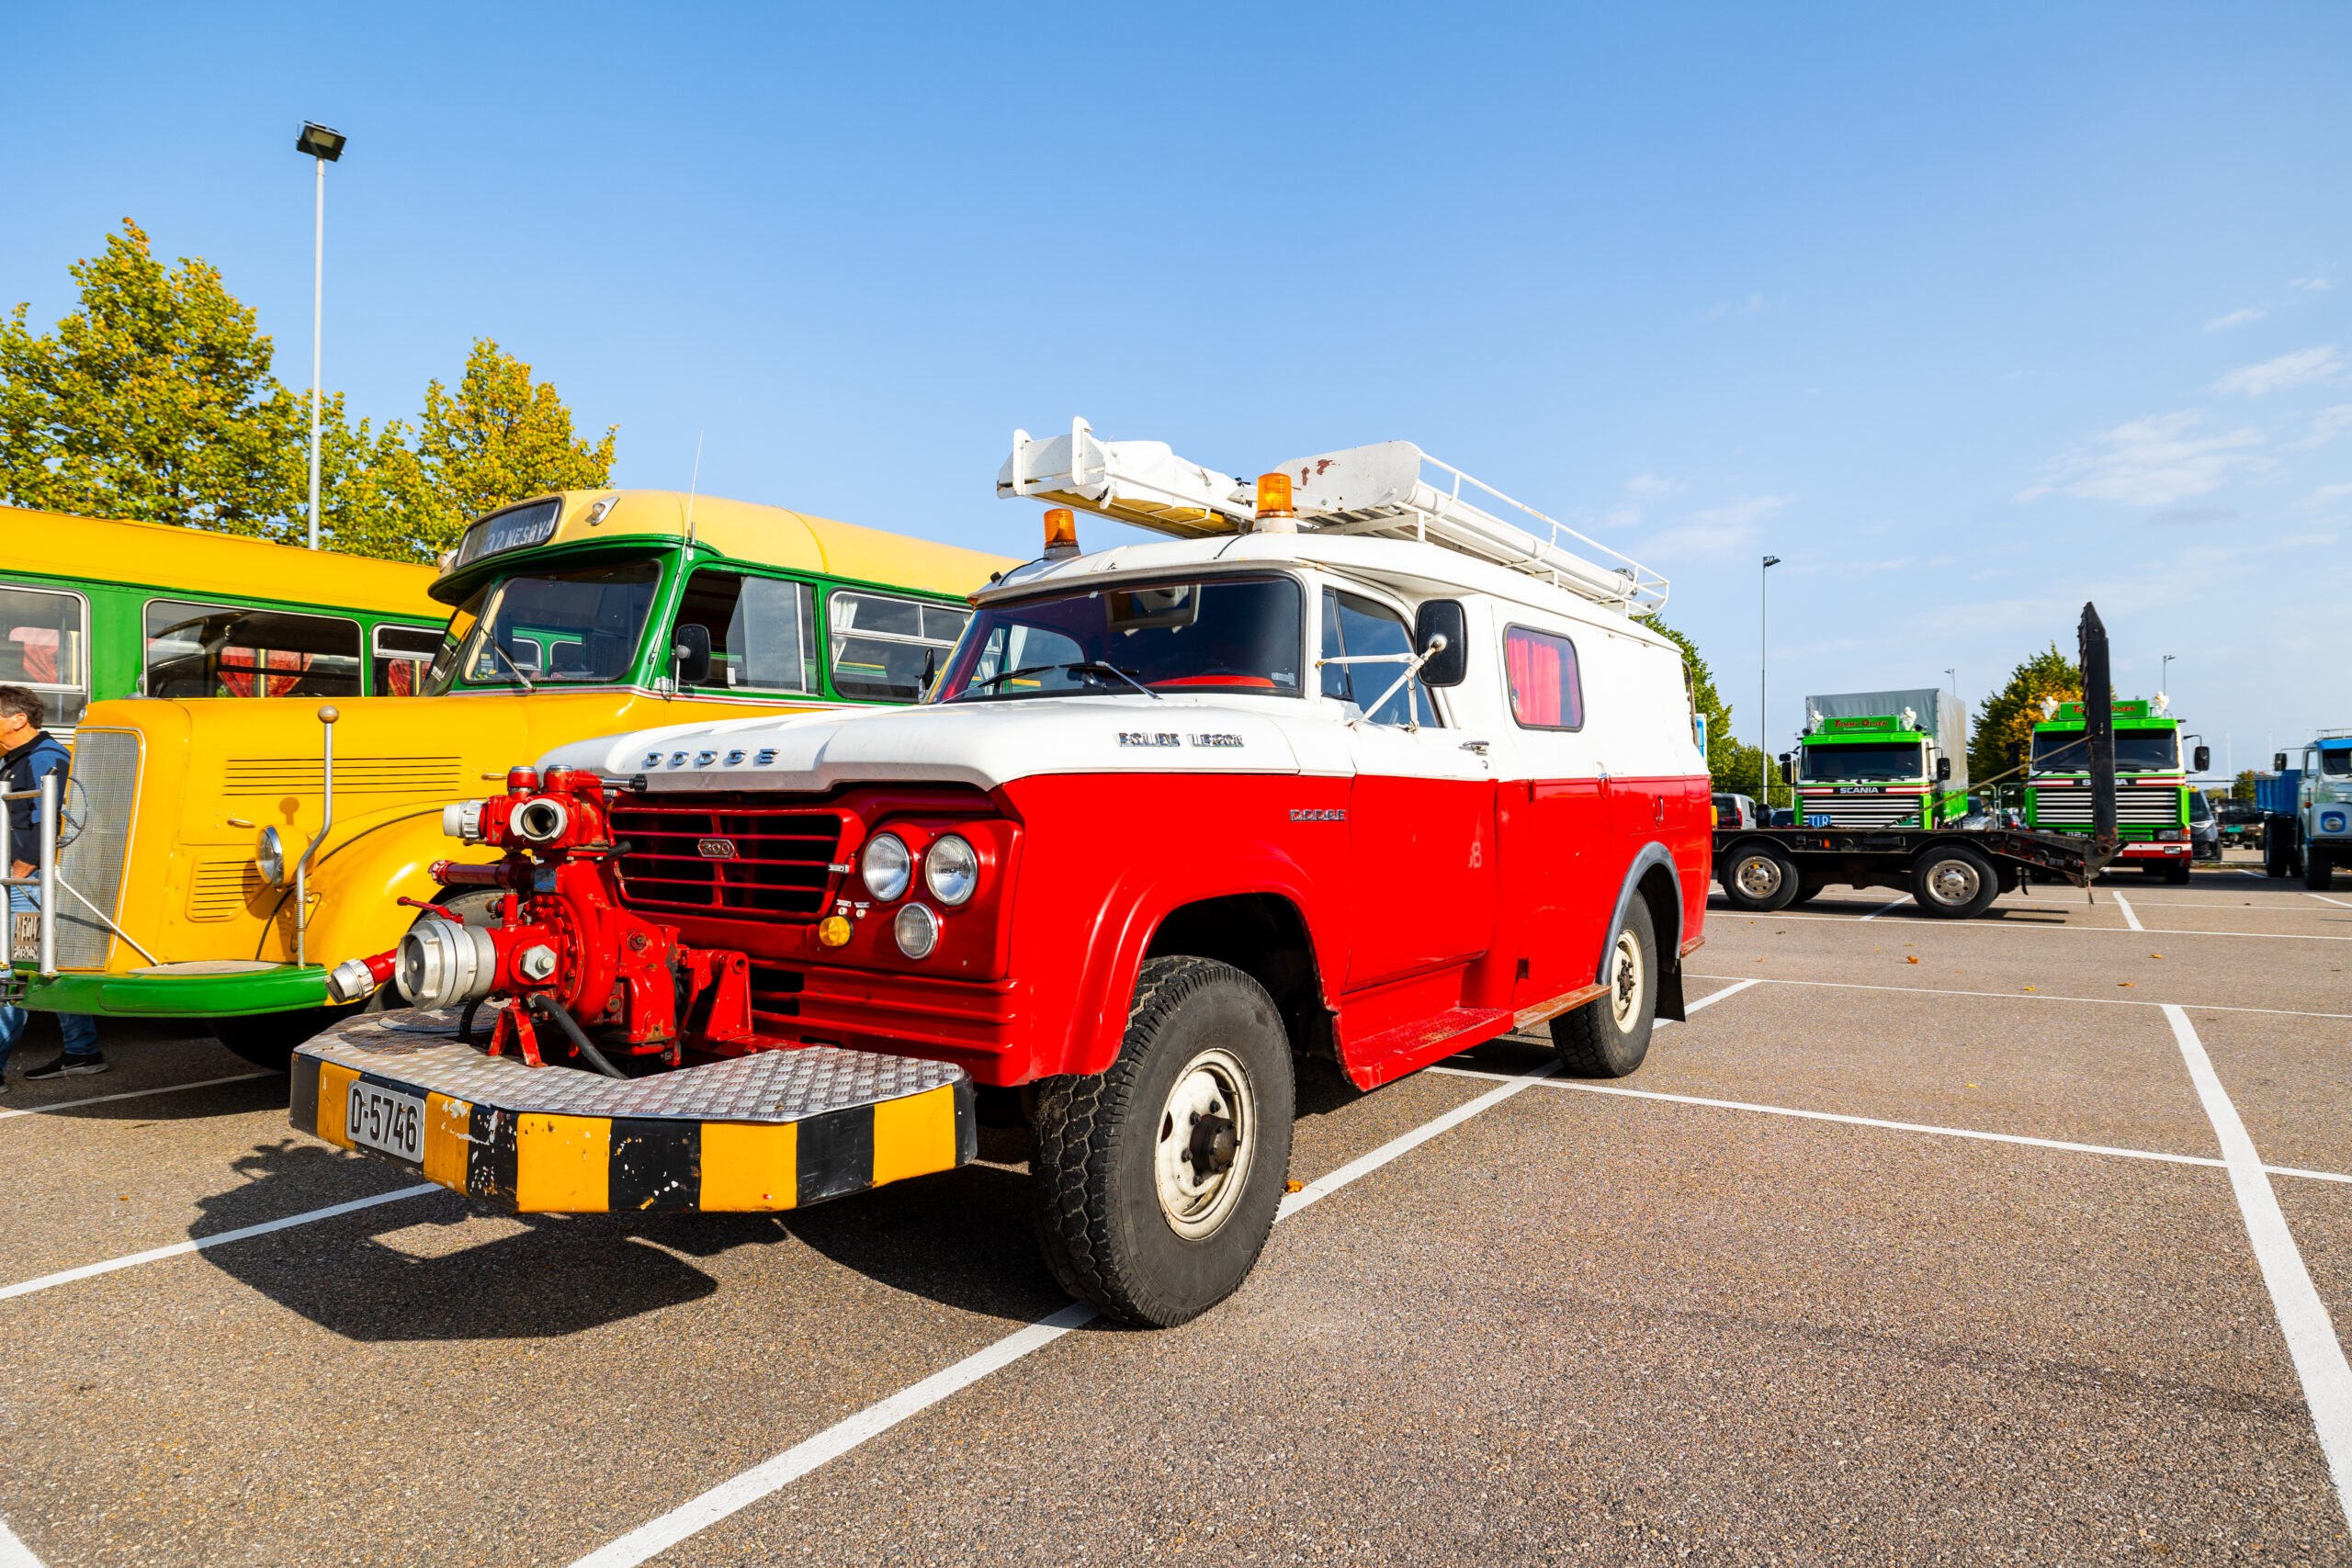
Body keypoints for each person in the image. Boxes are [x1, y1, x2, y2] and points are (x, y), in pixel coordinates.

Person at [0, 685, 103, 1088]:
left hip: (28, 884)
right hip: (21, 882)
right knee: (46, 969)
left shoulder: (45, 758)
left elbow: (51, 824)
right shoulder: (15, 759)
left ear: (18, 720)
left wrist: (20, 871)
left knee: (14, 971)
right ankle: (82, 1051)